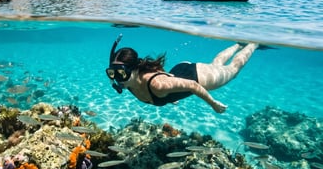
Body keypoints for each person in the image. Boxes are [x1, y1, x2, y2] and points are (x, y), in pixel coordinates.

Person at [105, 34, 259, 113]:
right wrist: (170, 95)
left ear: (136, 69)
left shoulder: (158, 85)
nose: (117, 79)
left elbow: (192, 85)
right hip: (178, 72)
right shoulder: (130, 83)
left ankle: (254, 43)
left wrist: (213, 104)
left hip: (198, 77)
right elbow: (161, 77)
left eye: (121, 73)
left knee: (233, 70)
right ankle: (238, 44)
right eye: (112, 73)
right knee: (216, 65)